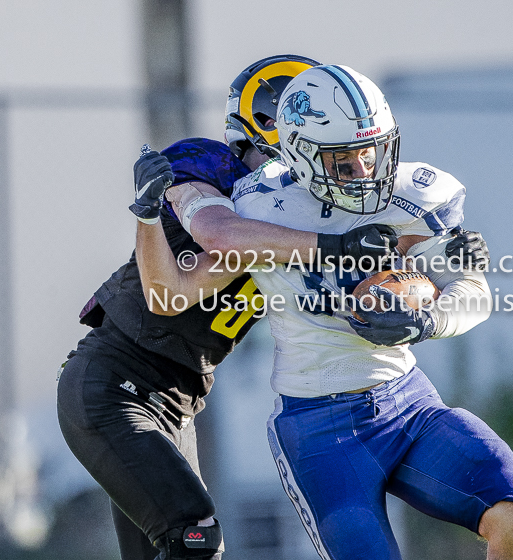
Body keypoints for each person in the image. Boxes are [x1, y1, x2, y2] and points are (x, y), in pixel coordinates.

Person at [152, 64, 513, 560]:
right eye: (343, 160)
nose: (364, 170)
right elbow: (204, 253)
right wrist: (159, 210)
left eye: (370, 151)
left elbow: (472, 290)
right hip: (319, 425)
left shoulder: (413, 194)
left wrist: (428, 318)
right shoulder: (261, 208)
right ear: (300, 155)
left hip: (409, 402)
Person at [56, 55, 402, 560]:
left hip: (176, 403)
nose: (344, 167)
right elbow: (199, 262)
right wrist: (334, 245)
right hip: (116, 384)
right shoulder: (214, 170)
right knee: (194, 538)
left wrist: (439, 260)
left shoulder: (305, 226)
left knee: (170, 551)